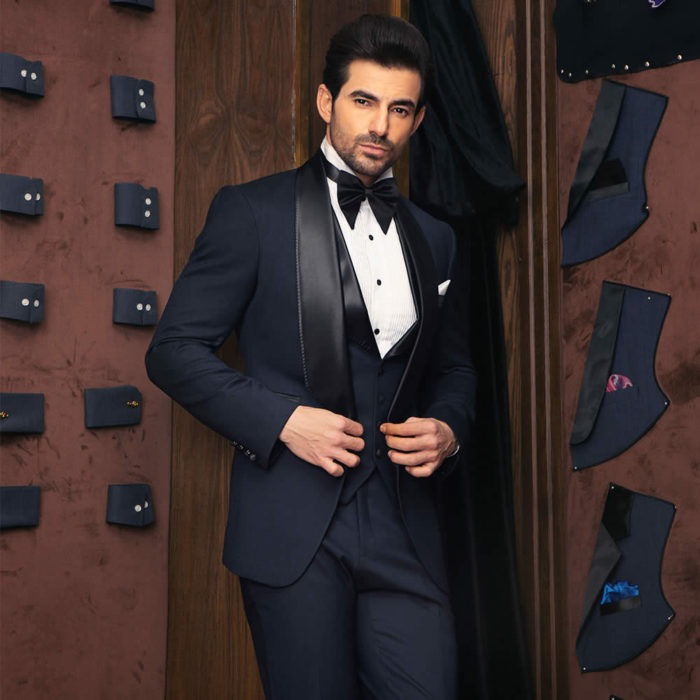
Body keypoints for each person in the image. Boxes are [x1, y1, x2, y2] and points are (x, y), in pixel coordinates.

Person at [146, 14, 477, 699]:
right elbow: (173, 351)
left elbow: (453, 369)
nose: (380, 126)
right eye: (363, 101)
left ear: (417, 120)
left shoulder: (436, 238)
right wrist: (284, 420)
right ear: (327, 101)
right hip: (293, 529)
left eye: (400, 109)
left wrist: (449, 427)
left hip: (405, 525)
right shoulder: (251, 213)